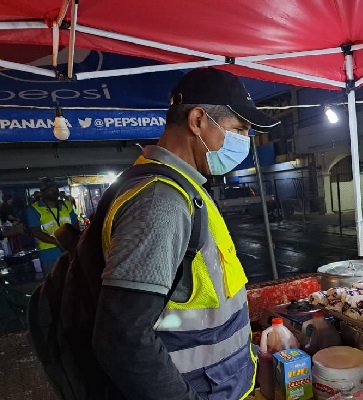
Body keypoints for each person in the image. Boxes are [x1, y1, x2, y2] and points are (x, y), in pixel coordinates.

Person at [89, 67, 280, 400]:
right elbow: (121, 338)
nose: (246, 142)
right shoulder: (160, 202)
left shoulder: (183, 187)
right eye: (239, 129)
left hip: (219, 385)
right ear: (197, 121)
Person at [27, 178, 79, 276]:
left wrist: (73, 241)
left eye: (56, 188)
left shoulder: (67, 205)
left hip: (70, 251)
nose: (55, 191)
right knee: (54, 286)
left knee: (74, 284)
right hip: (49, 254)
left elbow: (75, 225)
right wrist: (58, 242)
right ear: (42, 193)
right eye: (50, 189)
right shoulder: (34, 209)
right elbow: (36, 232)